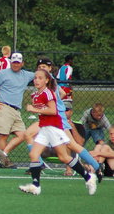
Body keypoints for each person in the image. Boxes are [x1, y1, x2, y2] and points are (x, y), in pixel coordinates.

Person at [19, 68, 97, 196]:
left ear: (47, 80)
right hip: (45, 128)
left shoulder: (48, 93)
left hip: (54, 128)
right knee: (34, 154)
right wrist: (36, 109)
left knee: (64, 157)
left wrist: (34, 109)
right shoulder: (35, 95)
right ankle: (35, 186)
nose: (37, 80)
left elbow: (53, 111)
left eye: (40, 78)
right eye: (35, 78)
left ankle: (88, 177)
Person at [0, 52, 35, 168]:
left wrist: (49, 74)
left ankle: (3, 153)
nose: (15, 65)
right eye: (13, 62)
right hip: (4, 107)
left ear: (22, 63)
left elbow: (41, 75)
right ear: (11, 62)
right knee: (3, 135)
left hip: (16, 110)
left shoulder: (26, 75)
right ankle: (4, 161)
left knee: (23, 135)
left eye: (18, 62)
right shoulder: (4, 73)